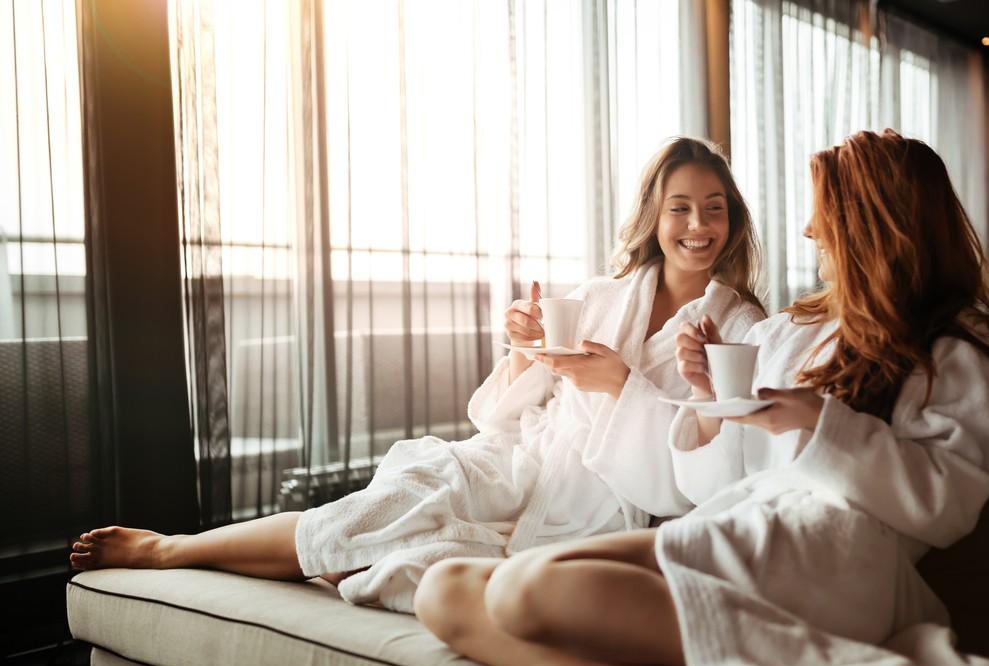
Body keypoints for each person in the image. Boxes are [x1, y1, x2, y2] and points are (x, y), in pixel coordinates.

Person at [69, 137, 767, 614]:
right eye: (680, 207)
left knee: (398, 560)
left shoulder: (741, 326)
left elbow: (704, 477)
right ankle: (170, 548)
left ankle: (212, 551)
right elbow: (503, 412)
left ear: (731, 219)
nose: (698, 225)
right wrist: (523, 348)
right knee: (394, 500)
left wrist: (620, 385)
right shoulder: (602, 295)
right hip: (517, 463)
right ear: (654, 215)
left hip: (599, 510)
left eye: (714, 208)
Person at [412, 129, 989, 666]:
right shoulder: (786, 330)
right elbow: (712, 484)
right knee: (445, 591)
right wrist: (706, 394)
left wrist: (821, 423)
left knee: (526, 590)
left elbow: (948, 501)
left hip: (834, 552)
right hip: (739, 525)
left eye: (824, 213)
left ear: (877, 222)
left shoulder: (947, 340)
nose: (810, 230)